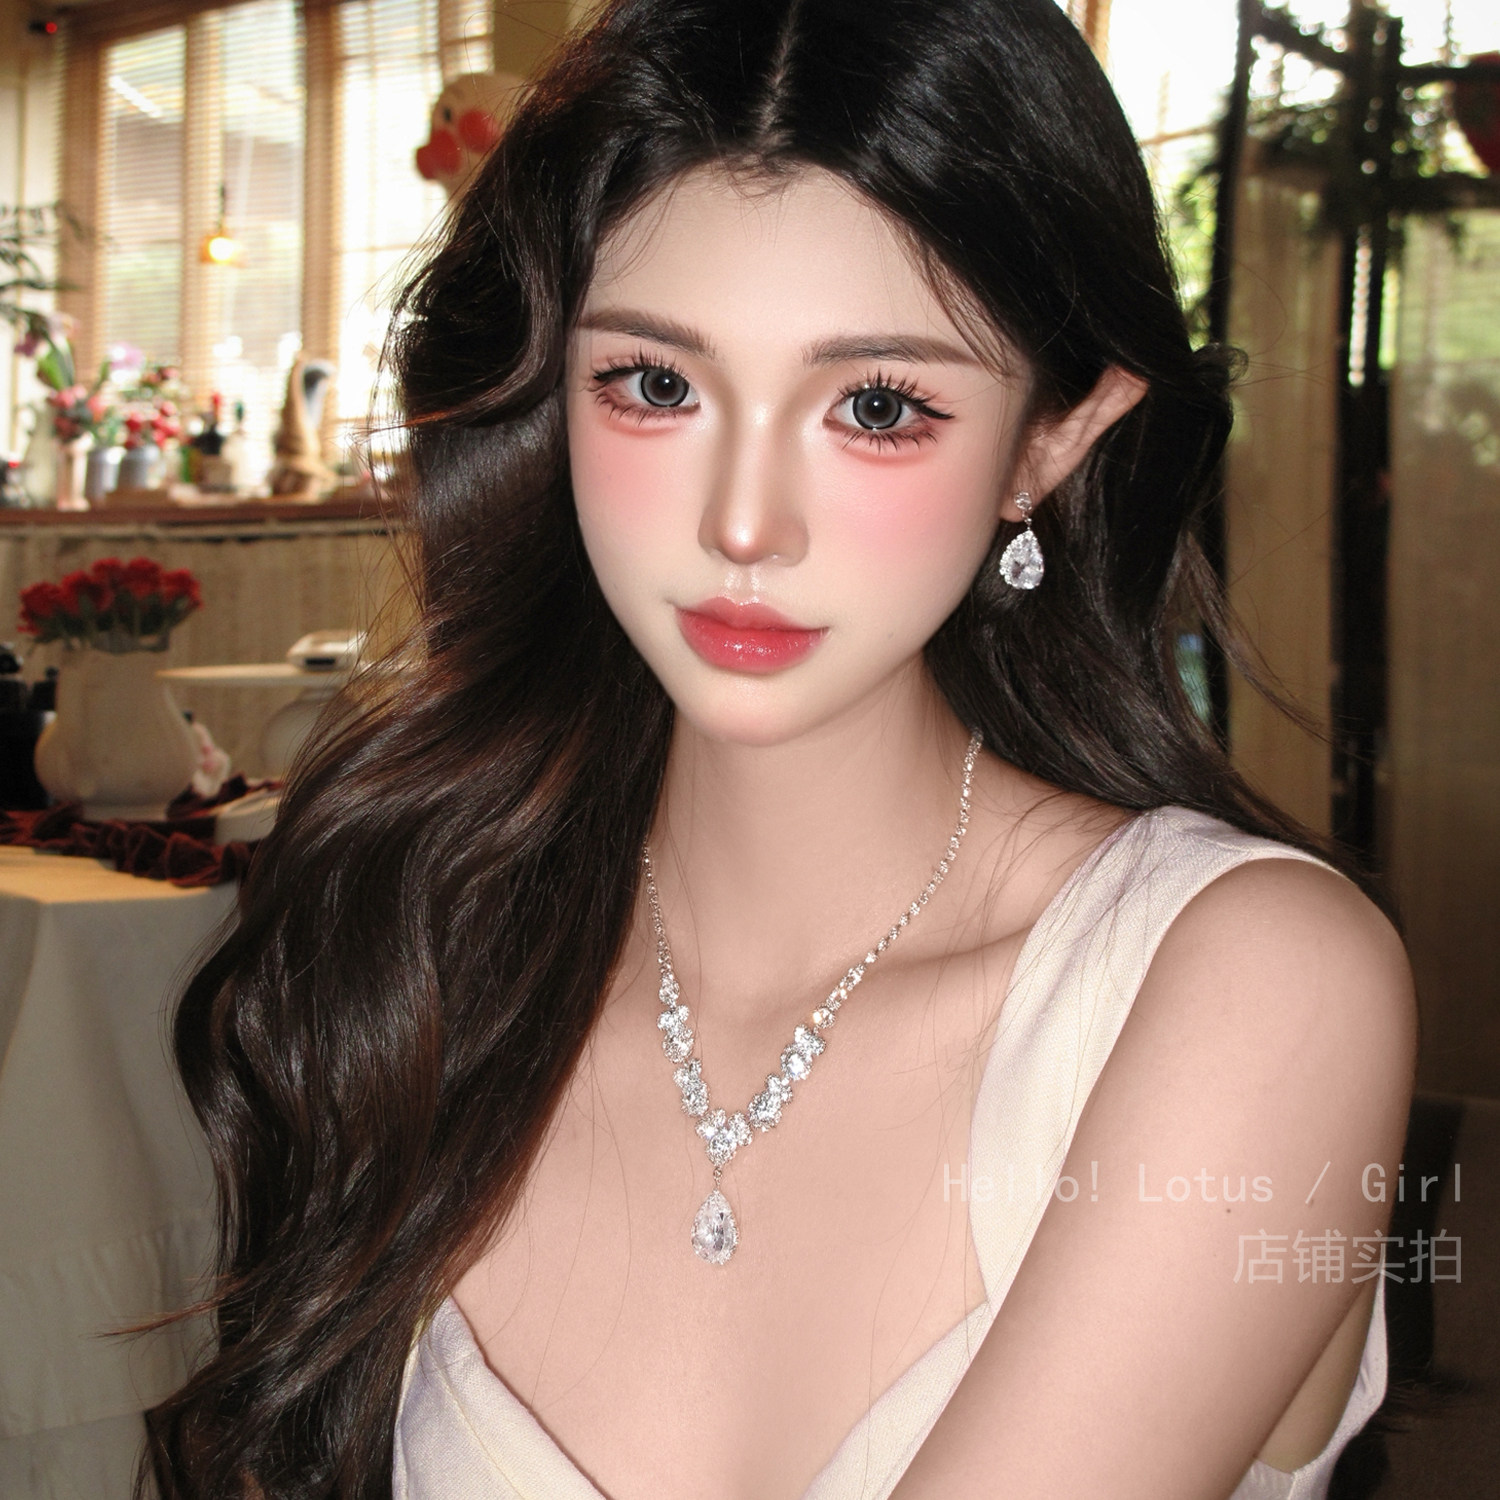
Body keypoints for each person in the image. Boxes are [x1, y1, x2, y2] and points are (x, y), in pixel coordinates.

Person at [144, 1, 1417, 1496]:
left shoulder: (1247, 986)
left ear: (1052, 439)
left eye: (876, 406)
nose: (744, 523)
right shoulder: (434, 953)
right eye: (656, 385)